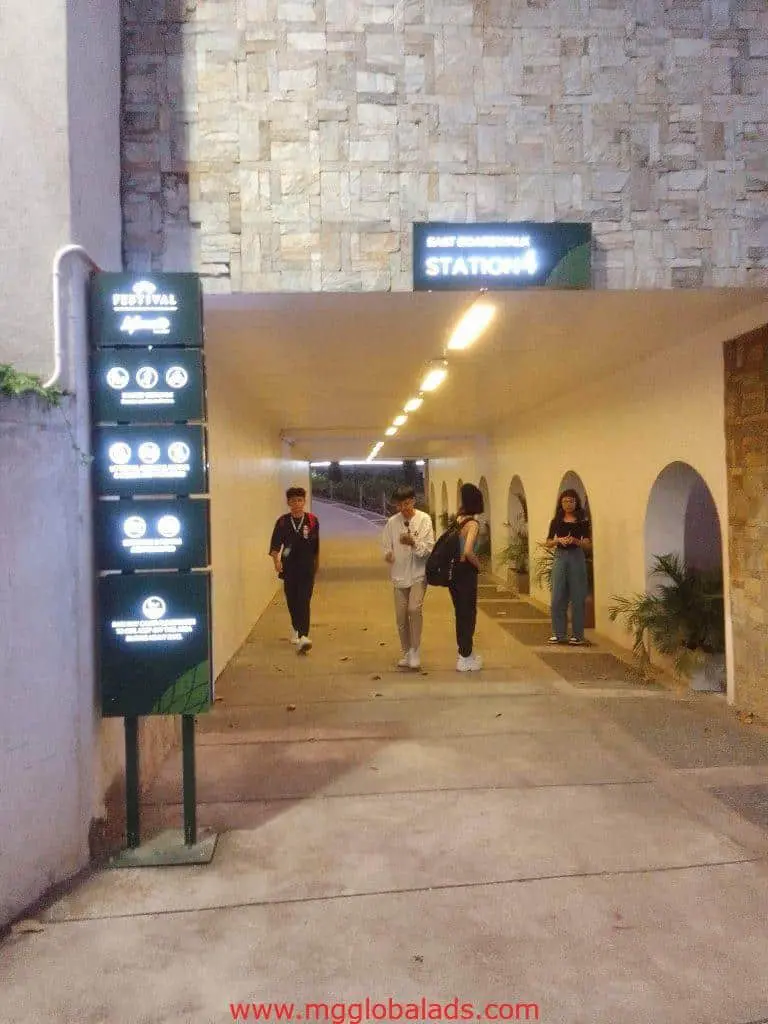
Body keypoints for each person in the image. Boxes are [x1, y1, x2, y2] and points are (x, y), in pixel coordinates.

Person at [381, 485, 435, 670]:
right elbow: (386, 546)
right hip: (399, 574)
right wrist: (388, 554)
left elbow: (428, 548)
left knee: (414, 609)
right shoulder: (392, 523)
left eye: (405, 503)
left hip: (419, 574)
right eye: (399, 505)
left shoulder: (424, 520)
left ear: (412, 500)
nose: (403, 508)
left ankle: (416, 651)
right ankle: (406, 652)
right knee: (401, 616)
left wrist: (413, 542)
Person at [269, 487, 319, 653]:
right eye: (293, 501)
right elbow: (275, 545)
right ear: (288, 503)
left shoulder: (312, 520)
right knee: (292, 600)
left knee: (304, 600)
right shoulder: (283, 522)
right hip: (289, 568)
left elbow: (316, 546)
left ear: (304, 502)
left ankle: (304, 636)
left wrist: (316, 564)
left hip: (306, 568)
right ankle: (295, 627)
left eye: (300, 500)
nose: (297, 504)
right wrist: (276, 562)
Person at [544, 488, 592, 646]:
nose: (568, 504)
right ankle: (559, 633)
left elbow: (587, 544)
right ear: (561, 503)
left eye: (571, 501)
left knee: (578, 596)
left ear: (576, 502)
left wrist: (575, 541)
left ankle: (578, 635)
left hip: (576, 557)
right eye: (565, 501)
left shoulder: (583, 521)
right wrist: (559, 541)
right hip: (560, 556)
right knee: (557, 596)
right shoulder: (556, 521)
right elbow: (548, 542)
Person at [450, 482, 484, 672]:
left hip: (453, 572)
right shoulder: (472, 524)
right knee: (468, 615)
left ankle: (466, 653)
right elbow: (468, 551)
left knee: (460, 613)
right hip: (466, 572)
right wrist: (480, 567)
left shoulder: (458, 519)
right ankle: (464, 657)